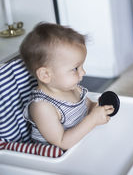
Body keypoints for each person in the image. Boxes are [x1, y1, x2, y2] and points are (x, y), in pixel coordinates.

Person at [20, 22, 114, 150]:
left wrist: (96, 108)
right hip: (57, 160)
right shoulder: (42, 106)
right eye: (75, 68)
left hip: (82, 143)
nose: (83, 72)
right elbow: (62, 142)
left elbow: (85, 105)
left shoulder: (71, 88)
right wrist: (92, 120)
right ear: (45, 75)